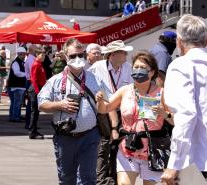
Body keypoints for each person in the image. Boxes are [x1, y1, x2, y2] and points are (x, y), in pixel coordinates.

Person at [96, 50, 173, 185]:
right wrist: (100, 101)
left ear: (152, 72)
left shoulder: (162, 93)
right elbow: (104, 109)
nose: (138, 70)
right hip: (128, 148)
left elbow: (175, 120)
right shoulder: (125, 90)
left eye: (143, 68)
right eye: (136, 67)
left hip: (152, 149)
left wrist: (163, 113)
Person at [38, 38, 102, 185]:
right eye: (73, 56)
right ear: (65, 57)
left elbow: (108, 103)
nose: (78, 59)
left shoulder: (95, 79)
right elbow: (41, 104)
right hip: (65, 137)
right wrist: (60, 105)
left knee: (88, 178)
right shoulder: (55, 81)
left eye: (81, 55)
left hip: (90, 136)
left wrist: (103, 101)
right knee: (67, 179)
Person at [161, 14, 207, 185]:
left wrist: (174, 163)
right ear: (206, 40)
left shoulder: (180, 66)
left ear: (179, 42)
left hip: (200, 160)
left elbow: (186, 115)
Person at [89, 40, 133, 185]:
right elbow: (87, 83)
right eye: (123, 52)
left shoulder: (128, 67)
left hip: (122, 112)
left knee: (119, 146)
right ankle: (100, 179)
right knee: (104, 144)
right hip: (103, 111)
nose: (126, 54)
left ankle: (113, 178)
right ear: (113, 54)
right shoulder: (97, 67)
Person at [28, 48, 46, 139]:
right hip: (35, 89)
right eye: (42, 55)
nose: (43, 57)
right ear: (37, 55)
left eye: (44, 55)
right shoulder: (36, 64)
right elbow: (34, 79)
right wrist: (37, 92)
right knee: (34, 112)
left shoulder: (39, 64)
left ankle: (34, 130)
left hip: (38, 89)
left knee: (36, 112)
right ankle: (32, 132)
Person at [8, 47, 27, 122]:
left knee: (15, 102)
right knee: (17, 102)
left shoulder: (20, 62)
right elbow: (17, 73)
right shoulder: (16, 62)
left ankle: (14, 116)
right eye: (24, 54)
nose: (24, 56)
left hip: (16, 85)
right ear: (20, 54)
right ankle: (15, 117)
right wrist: (26, 74)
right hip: (17, 85)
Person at [24, 44, 37, 129]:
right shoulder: (31, 59)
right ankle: (29, 124)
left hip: (30, 81)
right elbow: (33, 73)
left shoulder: (30, 58)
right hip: (31, 81)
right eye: (36, 49)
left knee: (31, 104)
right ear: (32, 50)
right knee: (31, 104)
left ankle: (30, 123)